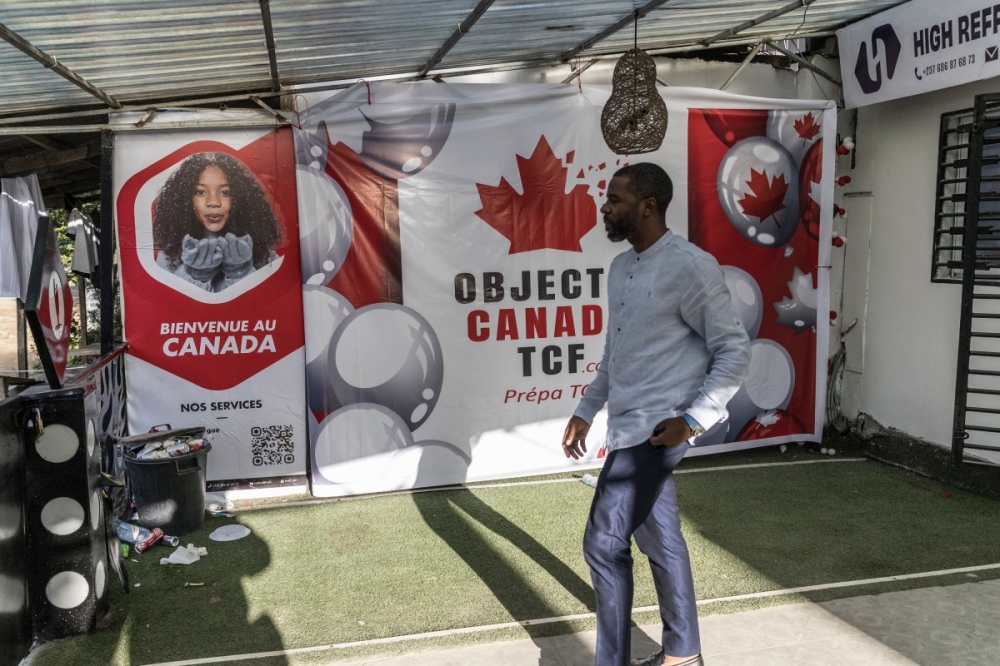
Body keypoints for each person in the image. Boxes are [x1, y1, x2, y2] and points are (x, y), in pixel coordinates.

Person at [561, 163, 750, 666]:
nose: (606, 206)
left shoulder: (690, 265)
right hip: (625, 428)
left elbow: (733, 349)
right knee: (662, 541)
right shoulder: (622, 268)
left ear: (648, 207)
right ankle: (684, 656)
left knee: (603, 544)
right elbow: (616, 349)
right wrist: (586, 410)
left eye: (616, 199)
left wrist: (692, 420)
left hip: (658, 432)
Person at [153, 152, 284, 292]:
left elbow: (272, 305)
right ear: (185, 199)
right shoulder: (169, 257)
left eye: (225, 192)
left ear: (239, 199)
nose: (214, 202)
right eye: (201, 192)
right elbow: (167, 308)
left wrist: (240, 272)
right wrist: (196, 277)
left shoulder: (264, 255)